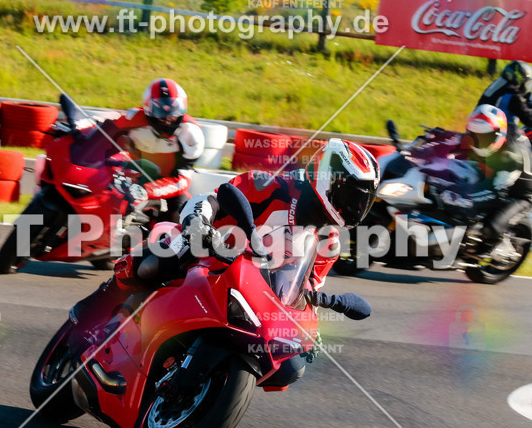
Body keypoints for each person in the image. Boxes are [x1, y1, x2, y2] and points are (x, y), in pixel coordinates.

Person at [68, 138, 381, 352]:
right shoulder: (272, 187)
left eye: (363, 199)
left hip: (249, 294)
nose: (355, 207)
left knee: (289, 363)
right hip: (205, 251)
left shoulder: (330, 244)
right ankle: (95, 308)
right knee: (154, 264)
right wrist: (199, 224)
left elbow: (303, 293)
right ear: (328, 176)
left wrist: (306, 330)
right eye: (352, 195)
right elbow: (211, 200)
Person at [104, 78, 205, 222]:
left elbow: (182, 182)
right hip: (133, 178)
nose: (169, 117)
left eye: (174, 108)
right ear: (149, 109)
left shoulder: (191, 134)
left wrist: (146, 191)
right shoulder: (133, 119)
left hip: (170, 186)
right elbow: (101, 127)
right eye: (161, 110)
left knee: (178, 217)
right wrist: (76, 128)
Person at [450, 104, 532, 253]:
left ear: (498, 134)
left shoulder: (512, 157)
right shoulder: (480, 135)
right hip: (490, 171)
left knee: (491, 228)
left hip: (516, 192)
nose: (479, 141)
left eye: (485, 137)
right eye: (474, 135)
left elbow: (496, 191)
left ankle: (489, 249)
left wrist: (460, 197)